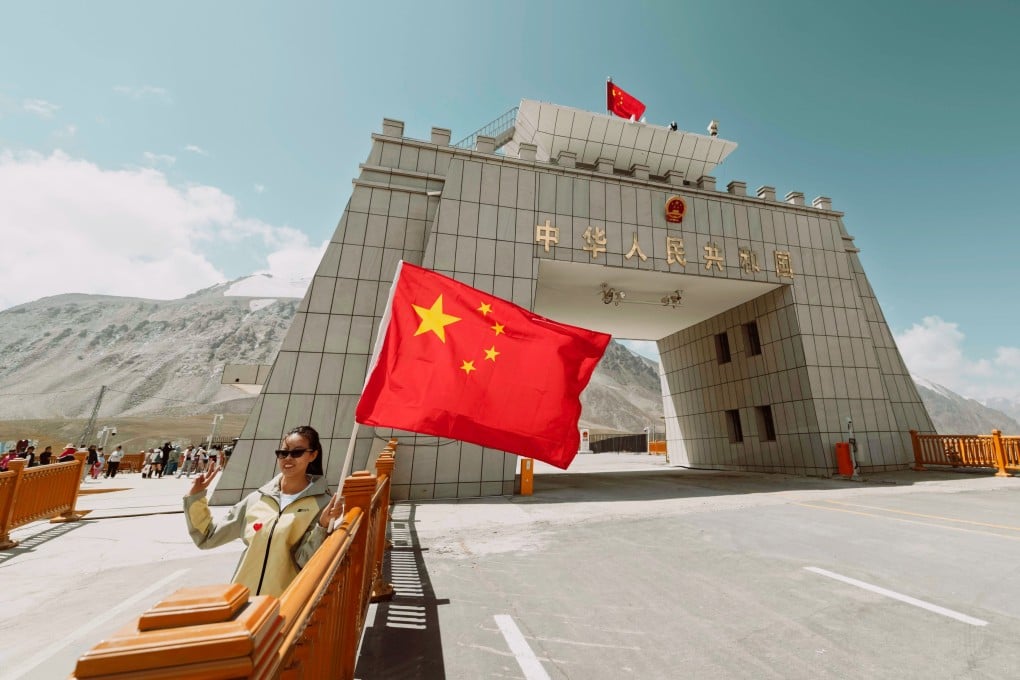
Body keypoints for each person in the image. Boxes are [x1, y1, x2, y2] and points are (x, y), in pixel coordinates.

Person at [183, 425, 343, 597]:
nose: (288, 458)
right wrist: (195, 498)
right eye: (283, 453)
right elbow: (208, 537)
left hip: (286, 605)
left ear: (313, 455)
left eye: (297, 453)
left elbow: (306, 561)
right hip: (245, 603)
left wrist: (322, 525)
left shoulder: (323, 505)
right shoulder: (257, 499)